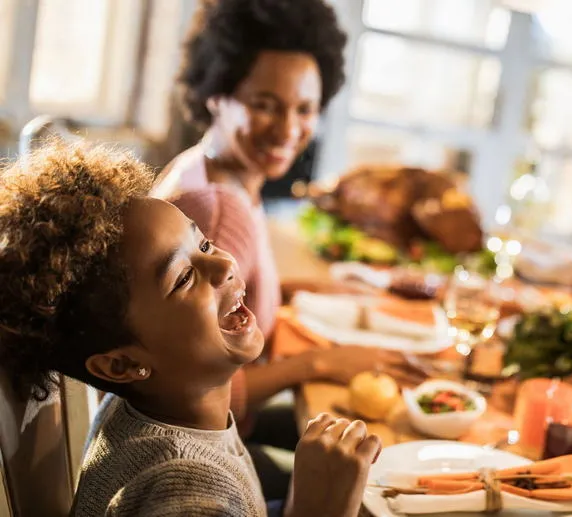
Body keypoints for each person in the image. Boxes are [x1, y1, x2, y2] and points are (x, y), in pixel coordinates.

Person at [0, 142, 381, 517]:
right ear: (122, 366)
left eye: (204, 243)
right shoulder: (187, 489)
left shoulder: (148, 408)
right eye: (183, 278)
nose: (225, 265)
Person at [152, 0, 425, 495]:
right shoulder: (218, 209)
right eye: (264, 105)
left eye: (304, 109)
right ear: (218, 93)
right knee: (381, 481)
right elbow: (203, 392)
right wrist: (320, 364)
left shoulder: (220, 176)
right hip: (199, 459)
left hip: (216, 436)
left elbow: (241, 283)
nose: (287, 130)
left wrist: (322, 288)